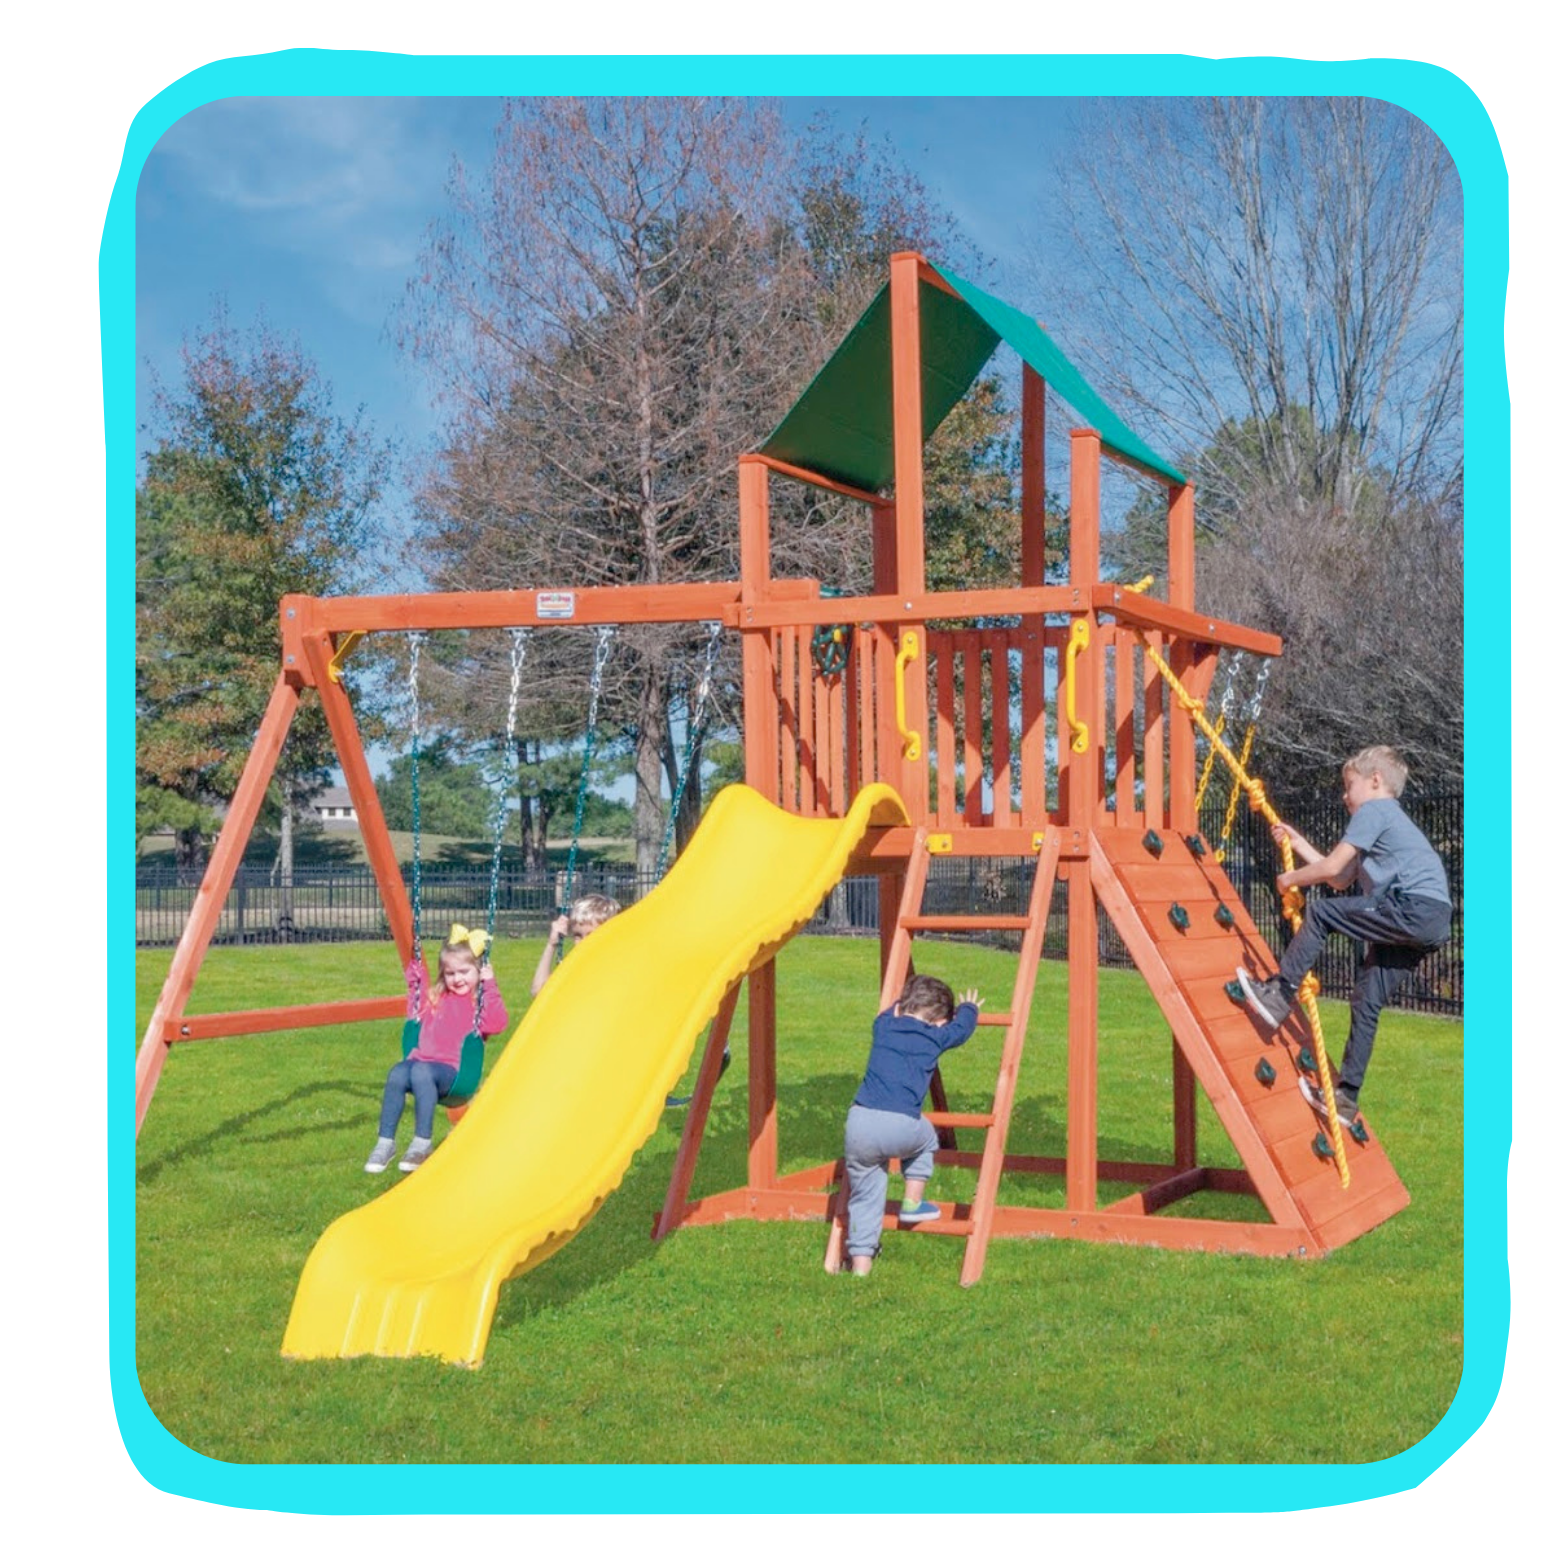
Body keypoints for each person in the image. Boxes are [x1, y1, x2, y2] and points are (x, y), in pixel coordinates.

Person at [1236, 745, 1451, 1124]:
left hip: (1411, 906)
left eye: (1348, 785)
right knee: (1367, 999)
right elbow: (1338, 877)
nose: (1344, 795)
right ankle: (1347, 1097)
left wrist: (1289, 879)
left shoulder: (1375, 810)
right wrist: (1297, 842)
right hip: (1432, 919)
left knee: (1320, 912)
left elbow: (1332, 869)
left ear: (1375, 781)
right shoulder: (1389, 819)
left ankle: (1279, 995)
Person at [837, 974, 982, 1277]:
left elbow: (890, 1011)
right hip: (900, 1125)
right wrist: (969, 1009)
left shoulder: (883, 1026)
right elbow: (962, 1031)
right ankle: (913, 1201)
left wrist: (900, 1003)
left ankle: (860, 1267)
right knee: (928, 1138)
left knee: (865, 1196)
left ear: (902, 1007)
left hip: (859, 1122)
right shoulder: (935, 1036)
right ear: (940, 1021)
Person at [364, 925, 510, 1174]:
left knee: (420, 1071)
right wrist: (416, 977)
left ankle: (422, 1143)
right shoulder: (436, 997)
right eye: (451, 973)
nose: (457, 978)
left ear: (479, 971)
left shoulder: (479, 1003)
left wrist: (490, 984)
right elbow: (416, 1006)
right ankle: (385, 1142)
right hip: (422, 1063)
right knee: (398, 1072)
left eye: (464, 971)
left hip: (455, 1074)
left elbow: (498, 1023)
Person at [530, 893, 620, 997]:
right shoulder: (573, 966)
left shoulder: (616, 968)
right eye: (578, 935)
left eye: (591, 935)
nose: (583, 941)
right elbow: (538, 992)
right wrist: (551, 944)